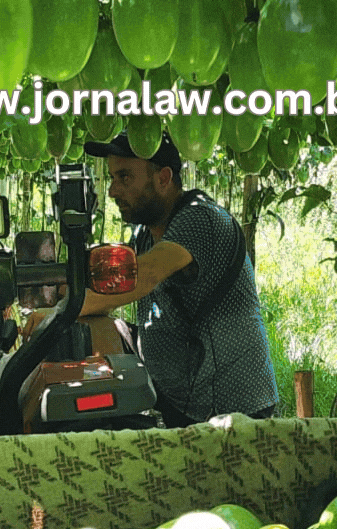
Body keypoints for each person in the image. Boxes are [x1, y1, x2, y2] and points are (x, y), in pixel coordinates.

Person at [73, 130, 278, 427]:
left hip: (231, 412)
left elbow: (143, 276)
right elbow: (106, 290)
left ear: (164, 178)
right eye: (113, 178)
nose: (113, 191)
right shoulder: (146, 234)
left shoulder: (201, 219)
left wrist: (61, 311)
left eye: (125, 177)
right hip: (184, 407)